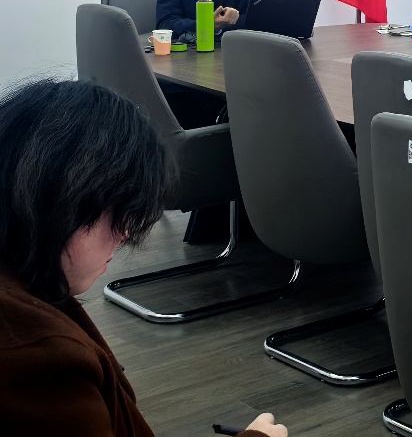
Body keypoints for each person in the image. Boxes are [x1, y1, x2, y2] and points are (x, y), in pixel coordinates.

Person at [0, 78, 286, 436]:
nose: (124, 235)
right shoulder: (36, 361)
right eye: (117, 214)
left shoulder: (28, 285)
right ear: (58, 200)